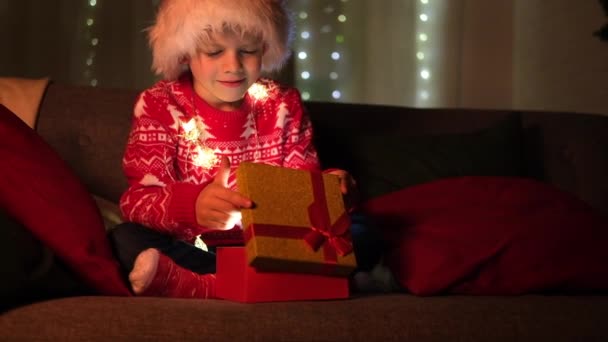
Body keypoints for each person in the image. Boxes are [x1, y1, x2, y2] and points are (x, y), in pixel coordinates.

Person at [109, 0, 390, 299]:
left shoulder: (282, 104)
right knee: (125, 239)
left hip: (276, 245)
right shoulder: (159, 104)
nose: (233, 65)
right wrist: (192, 206)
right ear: (185, 52)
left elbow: (304, 198)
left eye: (248, 50)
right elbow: (138, 202)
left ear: (266, 48)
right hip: (198, 245)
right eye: (215, 51)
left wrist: (331, 192)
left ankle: (208, 286)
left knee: (363, 232)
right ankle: (292, 284)